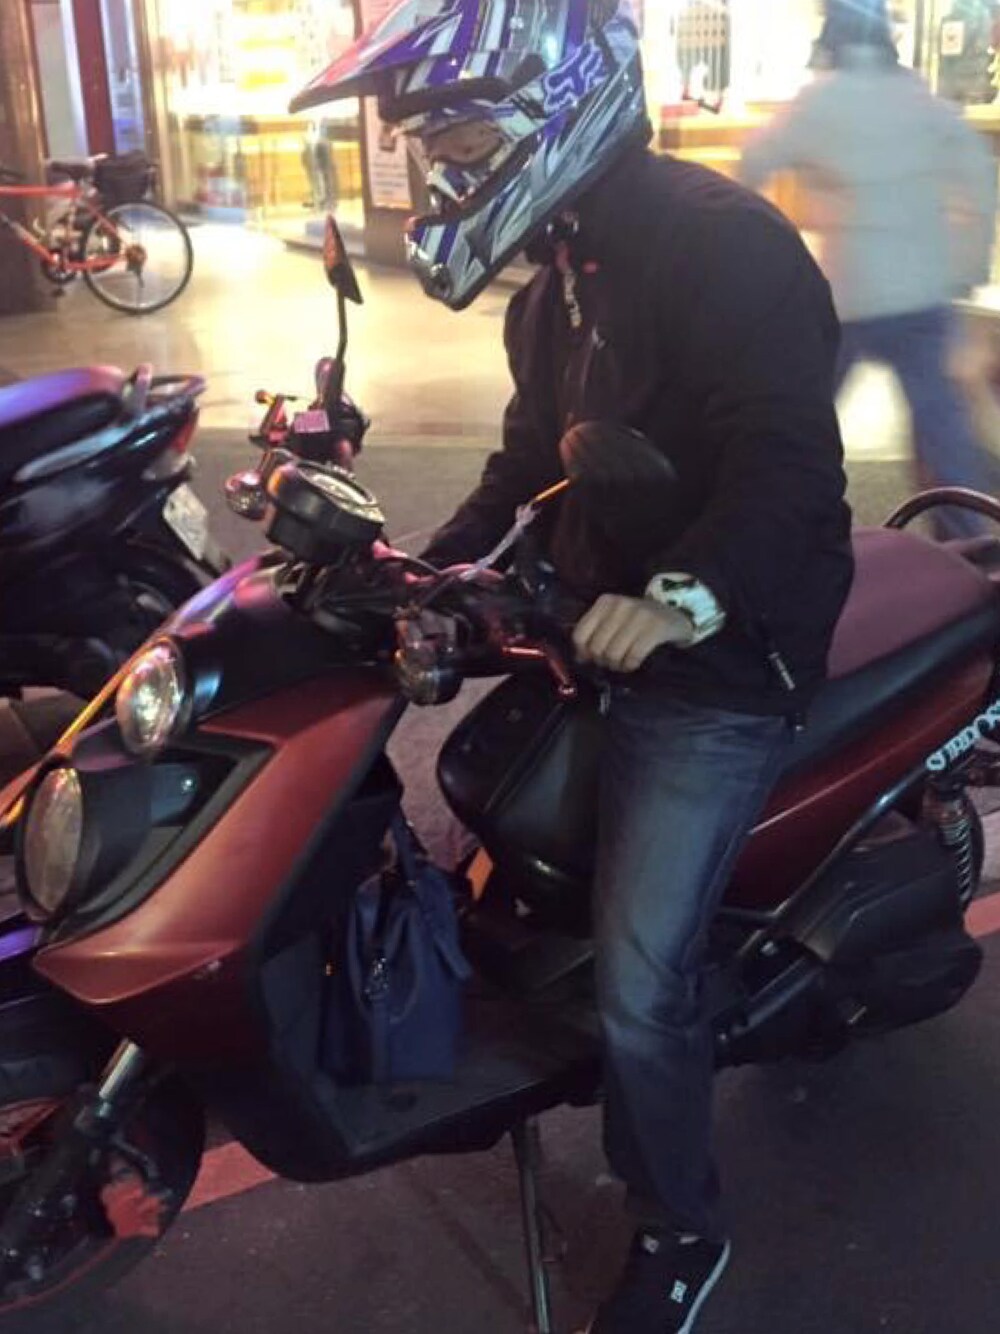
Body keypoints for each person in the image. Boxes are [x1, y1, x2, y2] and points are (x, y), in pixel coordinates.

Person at [292, 1, 853, 1329]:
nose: (446, 174)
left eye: (463, 140)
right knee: (498, 832)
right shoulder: (556, 284)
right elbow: (526, 464)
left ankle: (680, 1222)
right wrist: (419, 565)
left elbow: (786, 464)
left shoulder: (723, 246)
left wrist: (684, 596)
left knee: (638, 977)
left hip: (725, 646)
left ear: (557, 106)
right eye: (432, 149)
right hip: (590, 610)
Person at [741, 0, 999, 540]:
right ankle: (974, 545)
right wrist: (967, 265)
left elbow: (754, 162)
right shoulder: (918, 99)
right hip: (923, 291)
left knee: (797, 416)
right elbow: (978, 174)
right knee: (943, 434)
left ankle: (767, 525)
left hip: (847, 292)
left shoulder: (817, 101)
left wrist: (759, 250)